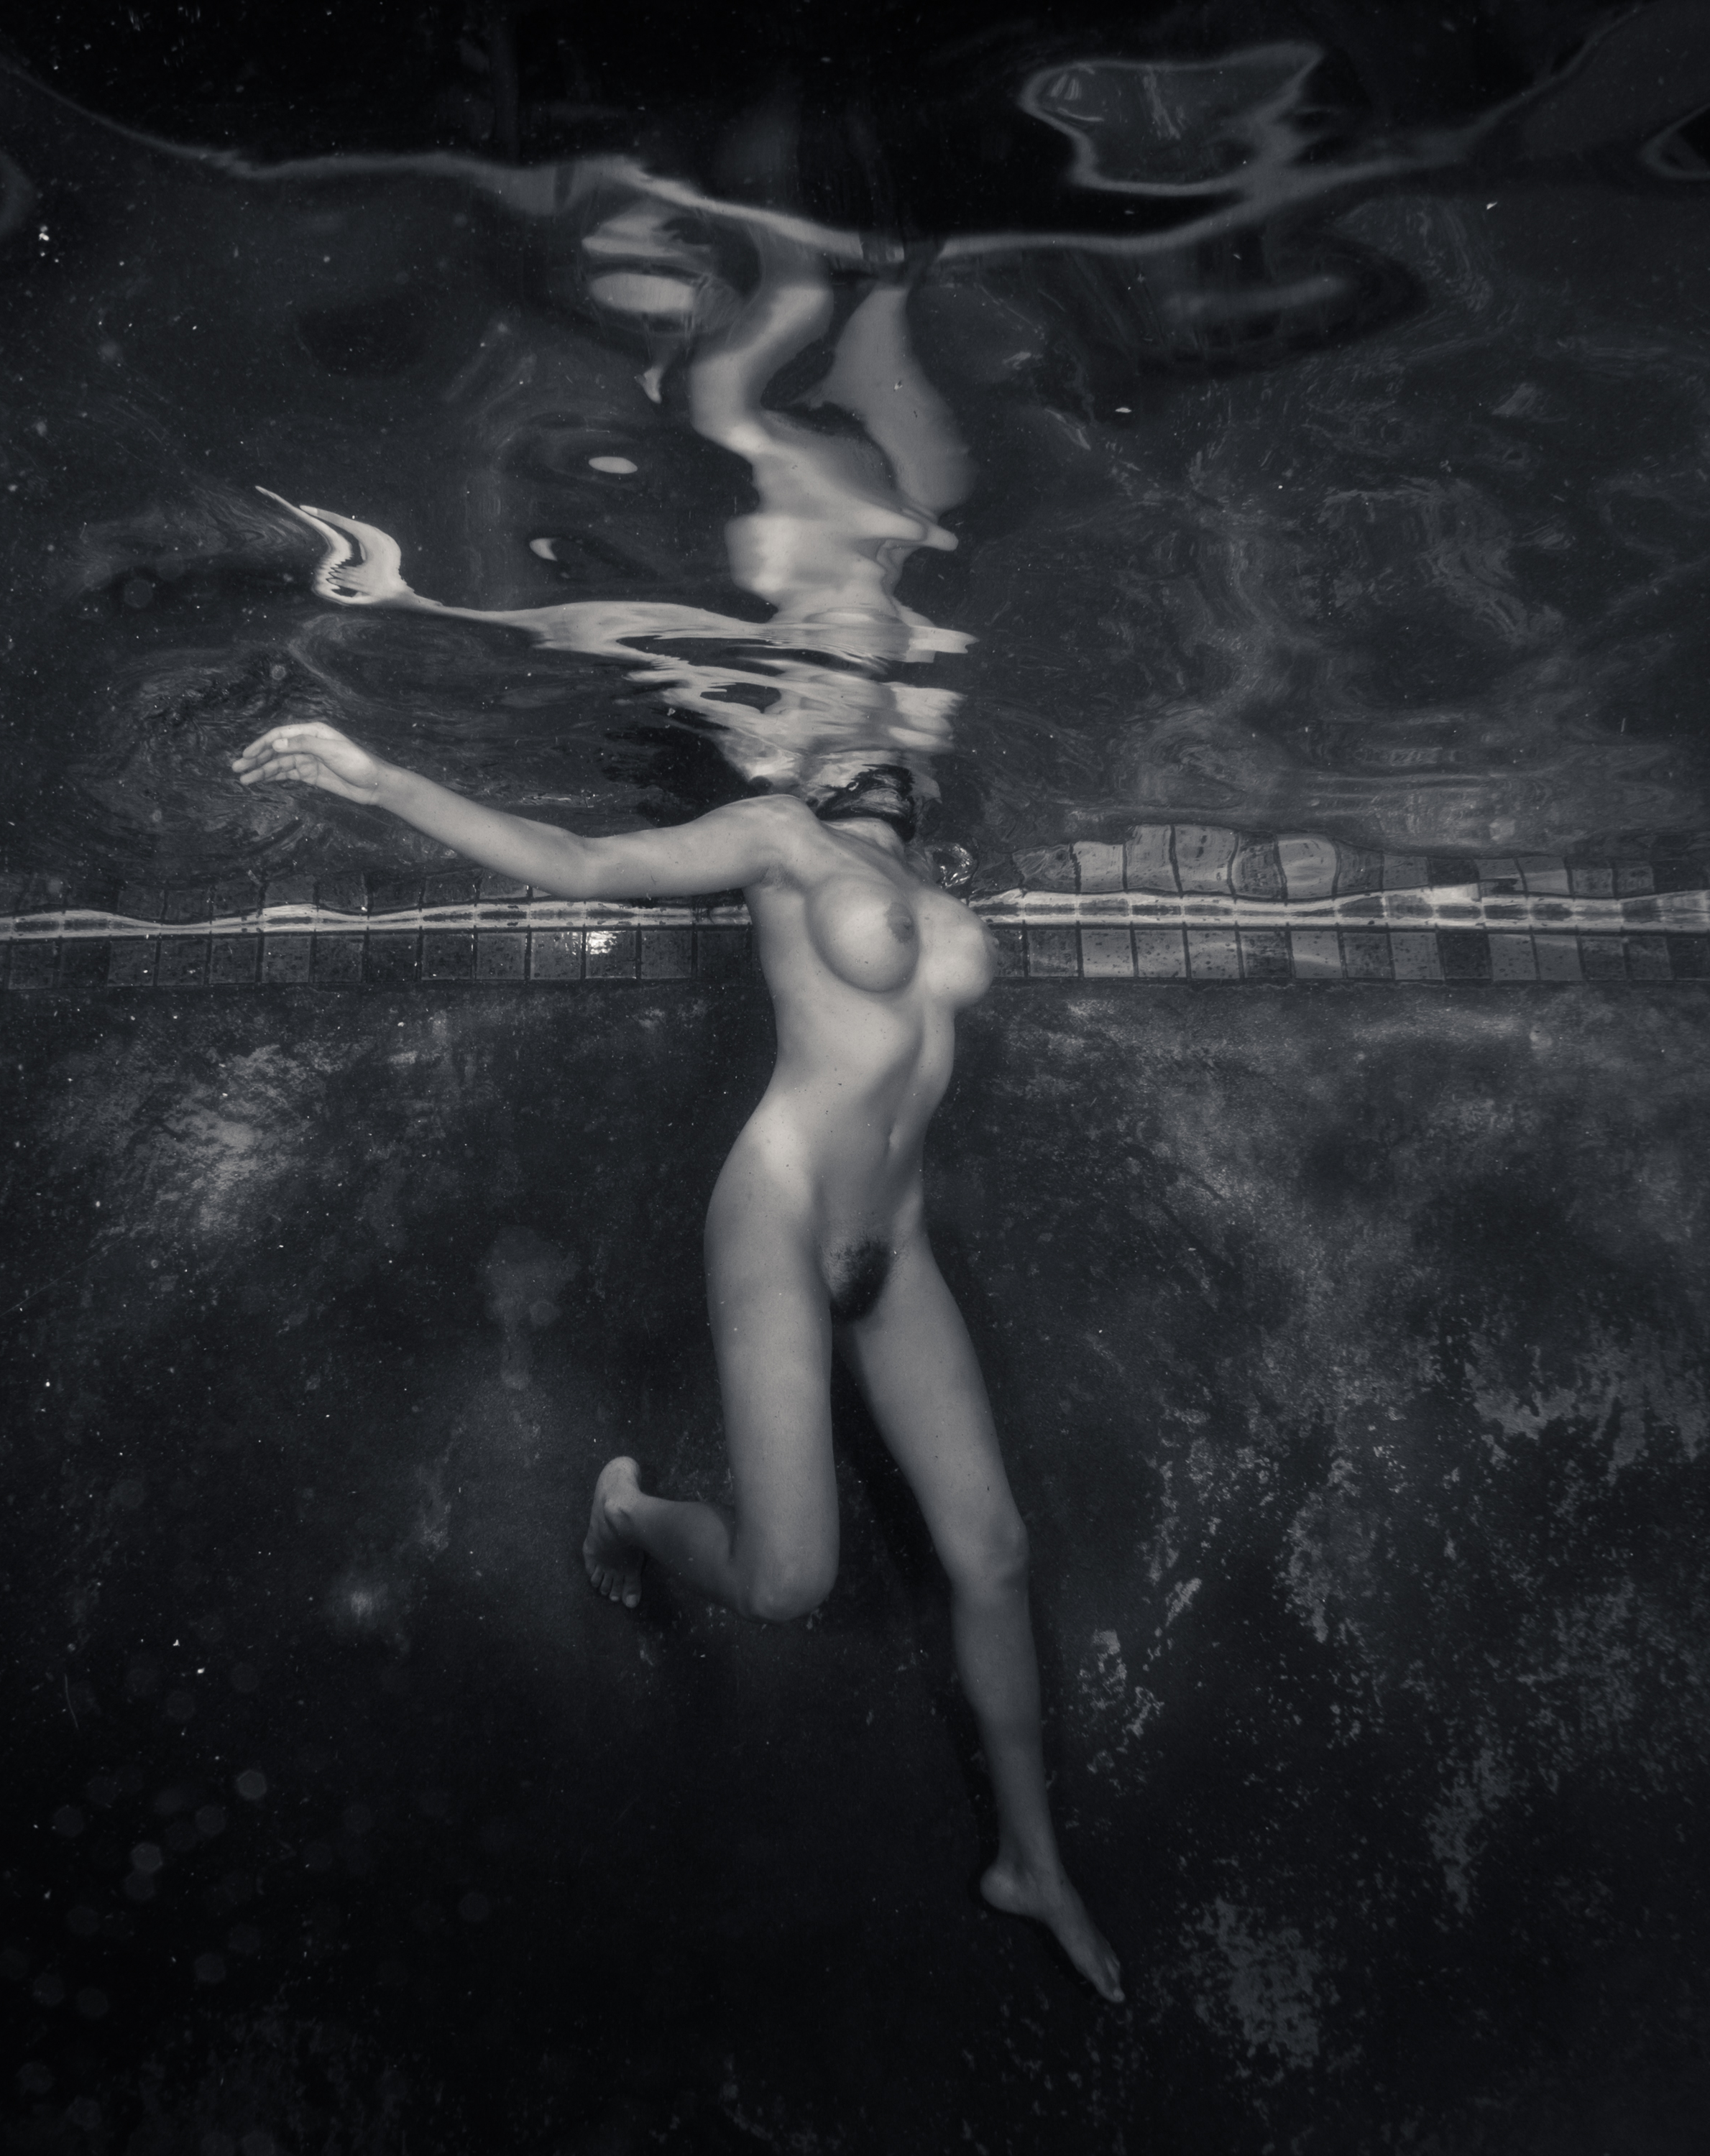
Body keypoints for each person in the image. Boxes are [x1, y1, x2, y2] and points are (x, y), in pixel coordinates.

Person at [231, 722, 1123, 2003]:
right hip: (780, 1214)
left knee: (996, 1553)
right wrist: (383, 779)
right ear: (796, 751)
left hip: (898, 1242)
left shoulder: (935, 879)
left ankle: (1032, 1863)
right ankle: (626, 1510)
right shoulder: (780, 836)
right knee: (786, 1581)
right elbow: (583, 865)